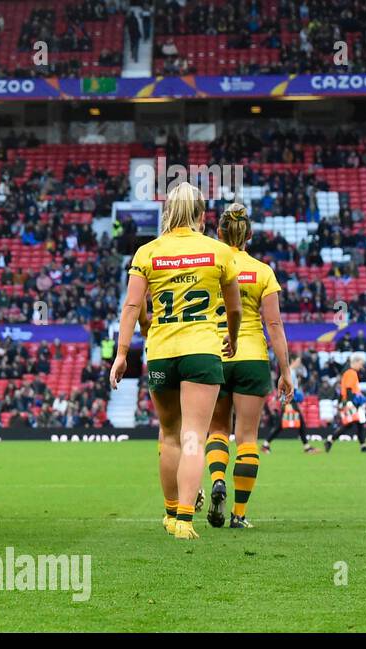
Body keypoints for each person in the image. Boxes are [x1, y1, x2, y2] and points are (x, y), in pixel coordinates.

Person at [111, 182, 241, 541]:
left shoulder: (147, 253)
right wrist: (231, 334)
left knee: (169, 435)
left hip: (162, 352)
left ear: (167, 212)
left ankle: (170, 514)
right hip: (202, 349)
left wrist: (122, 354)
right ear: (201, 214)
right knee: (194, 437)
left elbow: (133, 307)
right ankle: (185, 519)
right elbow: (234, 308)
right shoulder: (219, 252)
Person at [202, 203, 293, 529]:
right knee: (247, 438)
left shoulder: (210, 266)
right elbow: (275, 325)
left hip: (215, 354)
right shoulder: (263, 271)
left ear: (219, 232)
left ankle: (216, 480)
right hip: (252, 357)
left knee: (216, 430)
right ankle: (239, 514)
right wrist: (285, 370)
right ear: (250, 235)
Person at [324, 353, 366, 453]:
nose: (361, 366)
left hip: (350, 401)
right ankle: (330, 440)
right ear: (355, 362)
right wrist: (350, 402)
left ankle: (363, 445)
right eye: (360, 364)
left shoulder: (348, 372)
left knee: (358, 423)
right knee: (349, 424)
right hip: (351, 402)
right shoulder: (351, 373)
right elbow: (348, 388)